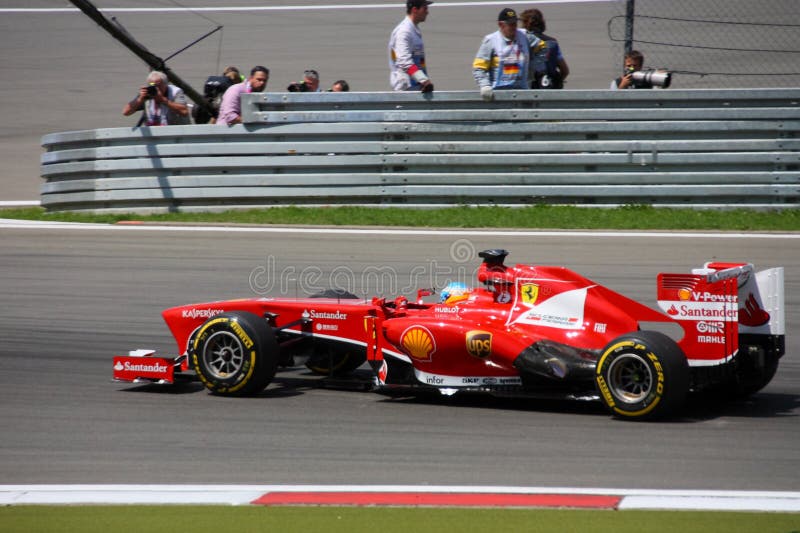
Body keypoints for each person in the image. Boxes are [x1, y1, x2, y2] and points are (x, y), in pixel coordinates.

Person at [472, 8, 530, 101]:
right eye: (510, 24)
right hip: (498, 95)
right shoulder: (490, 40)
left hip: (522, 93)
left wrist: (535, 69)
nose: (514, 27)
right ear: (500, 25)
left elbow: (542, 47)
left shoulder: (525, 36)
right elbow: (479, 67)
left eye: (515, 24)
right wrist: (485, 85)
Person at [388, 0, 434, 93]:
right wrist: (423, 80)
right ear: (415, 10)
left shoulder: (412, 29)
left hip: (416, 85)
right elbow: (404, 61)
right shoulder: (404, 31)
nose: (427, 12)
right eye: (424, 8)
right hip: (406, 88)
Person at [520, 8, 569, 89]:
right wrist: (557, 81)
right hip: (548, 88)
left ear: (526, 24)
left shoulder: (522, 42)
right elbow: (565, 71)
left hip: (528, 89)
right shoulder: (552, 42)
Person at [122, 71, 190, 126]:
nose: (156, 89)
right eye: (152, 85)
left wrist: (163, 100)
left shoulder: (175, 92)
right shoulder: (147, 92)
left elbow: (184, 112)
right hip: (154, 135)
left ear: (165, 84)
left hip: (175, 132)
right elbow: (126, 112)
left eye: (158, 85)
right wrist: (140, 99)